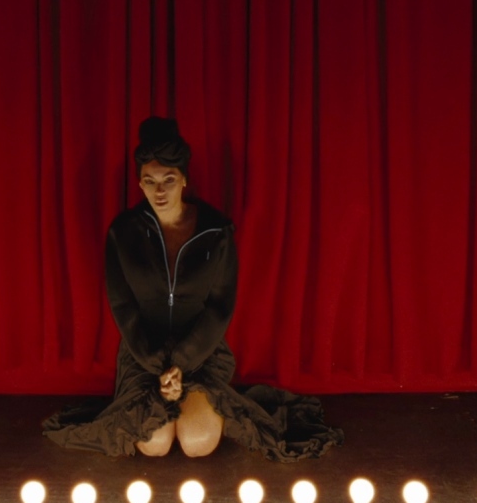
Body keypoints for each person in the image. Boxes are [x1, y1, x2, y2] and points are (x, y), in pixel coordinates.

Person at [43, 117, 343, 461]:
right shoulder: (122, 233)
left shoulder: (216, 231)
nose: (159, 191)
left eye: (168, 180)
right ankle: (166, 395)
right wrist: (158, 365)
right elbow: (123, 307)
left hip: (202, 353)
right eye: (149, 181)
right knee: (154, 445)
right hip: (144, 355)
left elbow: (219, 306)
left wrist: (182, 364)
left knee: (197, 443)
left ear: (184, 179)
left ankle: (192, 400)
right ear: (139, 184)